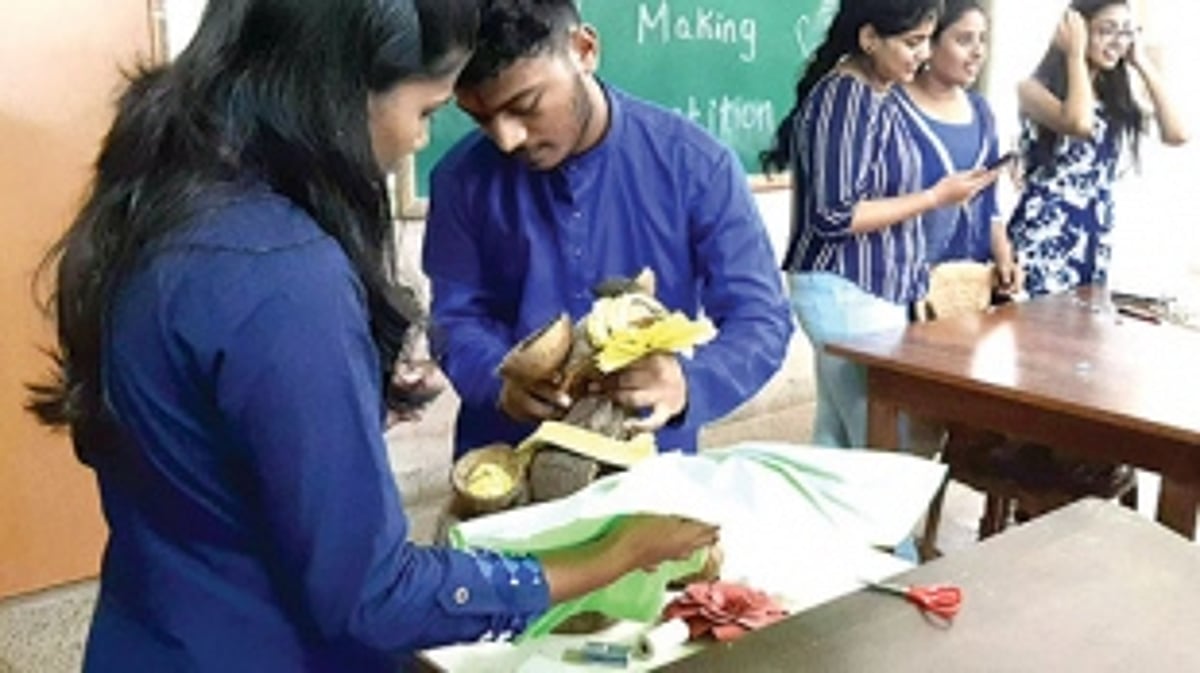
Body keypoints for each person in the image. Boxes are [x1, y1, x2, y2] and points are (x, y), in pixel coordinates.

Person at [25, 0, 718, 670]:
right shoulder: (282, 274)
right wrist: (612, 554)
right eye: (425, 111)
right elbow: (372, 595)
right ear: (336, 93)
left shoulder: (155, 204)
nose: (420, 138)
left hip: (153, 632)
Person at [422, 0, 794, 459]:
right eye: (480, 118)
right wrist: (498, 382)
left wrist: (687, 383)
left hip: (646, 461)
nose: (506, 138)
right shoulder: (460, 178)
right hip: (508, 461)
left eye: (525, 105)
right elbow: (455, 318)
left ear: (584, 49)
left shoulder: (696, 166)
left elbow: (760, 319)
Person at [760, 0, 1000, 449]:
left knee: (840, 436)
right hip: (847, 287)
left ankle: (831, 520)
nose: (924, 54)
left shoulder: (876, 91)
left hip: (861, 287)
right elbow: (835, 214)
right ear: (869, 38)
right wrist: (935, 197)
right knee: (886, 443)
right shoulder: (846, 98)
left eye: (928, 40)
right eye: (912, 43)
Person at [1008, 0, 1188, 296]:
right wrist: (1075, 56)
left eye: (1126, 32)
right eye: (1107, 31)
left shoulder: (1116, 100)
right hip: (1043, 236)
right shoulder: (1032, 89)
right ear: (1076, 30)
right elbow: (1079, 123)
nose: (1118, 42)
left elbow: (1178, 133)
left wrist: (1142, 62)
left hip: (1093, 236)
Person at [895, 0, 1021, 295]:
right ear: (930, 44)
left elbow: (988, 202)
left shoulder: (980, 110)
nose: (977, 52)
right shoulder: (894, 108)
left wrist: (1004, 256)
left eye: (982, 40)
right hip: (907, 285)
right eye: (964, 40)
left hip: (967, 286)